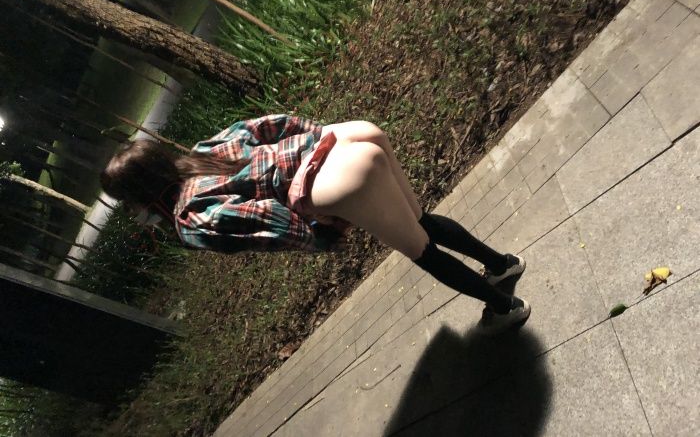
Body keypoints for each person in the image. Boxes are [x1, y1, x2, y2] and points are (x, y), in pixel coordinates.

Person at [100, 114, 530, 334]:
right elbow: (270, 124)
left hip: (340, 178)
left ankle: (504, 308)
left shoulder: (190, 218)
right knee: (420, 221)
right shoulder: (203, 150)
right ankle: (502, 265)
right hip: (349, 135)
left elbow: (267, 220)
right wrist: (316, 138)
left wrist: (320, 235)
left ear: (138, 194)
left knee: (420, 249)